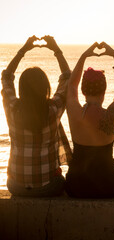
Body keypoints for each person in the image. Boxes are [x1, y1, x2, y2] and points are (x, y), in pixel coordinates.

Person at [1, 36, 72, 197]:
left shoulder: (12, 109)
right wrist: (56, 50)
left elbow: (6, 77)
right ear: (45, 88)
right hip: (48, 187)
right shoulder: (53, 110)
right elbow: (68, 77)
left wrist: (23, 50)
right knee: (64, 182)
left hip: (15, 185)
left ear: (22, 88)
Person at [65, 42, 114, 198]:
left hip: (76, 184)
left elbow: (71, 85)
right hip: (108, 184)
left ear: (83, 89)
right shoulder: (112, 114)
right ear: (104, 89)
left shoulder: (75, 112)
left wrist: (84, 56)